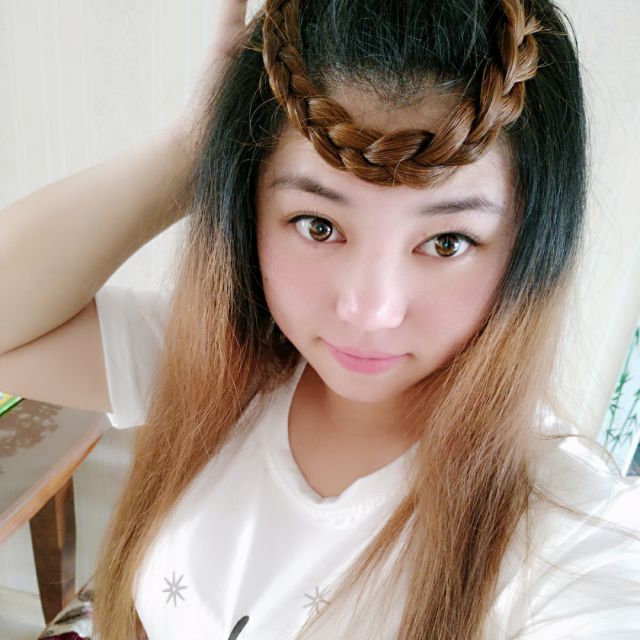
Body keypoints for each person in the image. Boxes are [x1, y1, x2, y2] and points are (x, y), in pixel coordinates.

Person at [1, 0, 639, 638]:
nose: (369, 310)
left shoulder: (567, 538)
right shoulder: (215, 362)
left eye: (447, 242)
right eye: (318, 225)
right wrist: (195, 151)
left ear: (529, 248)